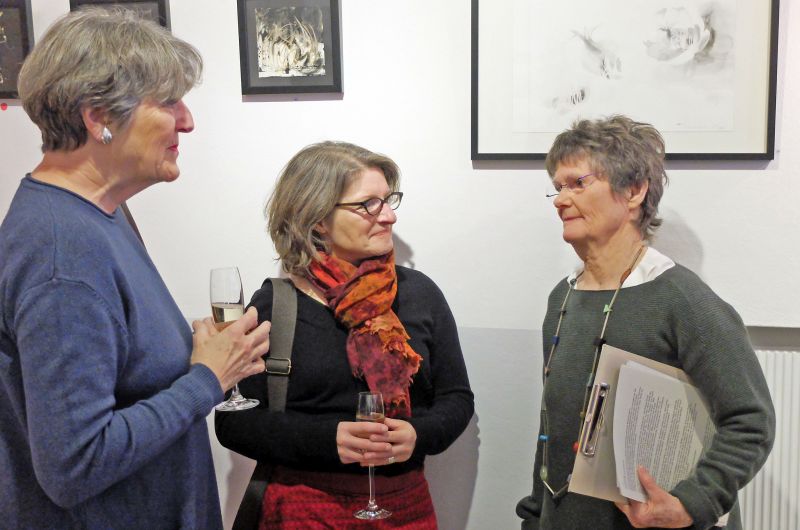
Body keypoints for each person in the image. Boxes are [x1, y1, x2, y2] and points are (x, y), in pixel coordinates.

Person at [0, 9, 270, 529]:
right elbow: (74, 465)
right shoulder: (63, 252)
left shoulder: (97, 214)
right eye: (169, 101)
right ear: (98, 116)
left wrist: (197, 356)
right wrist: (209, 378)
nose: (187, 120)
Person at [516, 115, 775, 530]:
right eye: (558, 186)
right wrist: (535, 517)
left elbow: (751, 420)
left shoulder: (682, 299)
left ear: (634, 191)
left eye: (578, 183)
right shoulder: (561, 298)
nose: (560, 199)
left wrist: (694, 502)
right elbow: (555, 425)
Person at [215, 141, 474, 529]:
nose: (388, 217)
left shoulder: (419, 294)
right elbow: (233, 421)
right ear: (317, 219)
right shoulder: (276, 305)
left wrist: (418, 436)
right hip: (303, 510)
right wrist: (328, 439)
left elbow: (456, 398)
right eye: (368, 204)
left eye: (389, 200)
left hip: (404, 509)